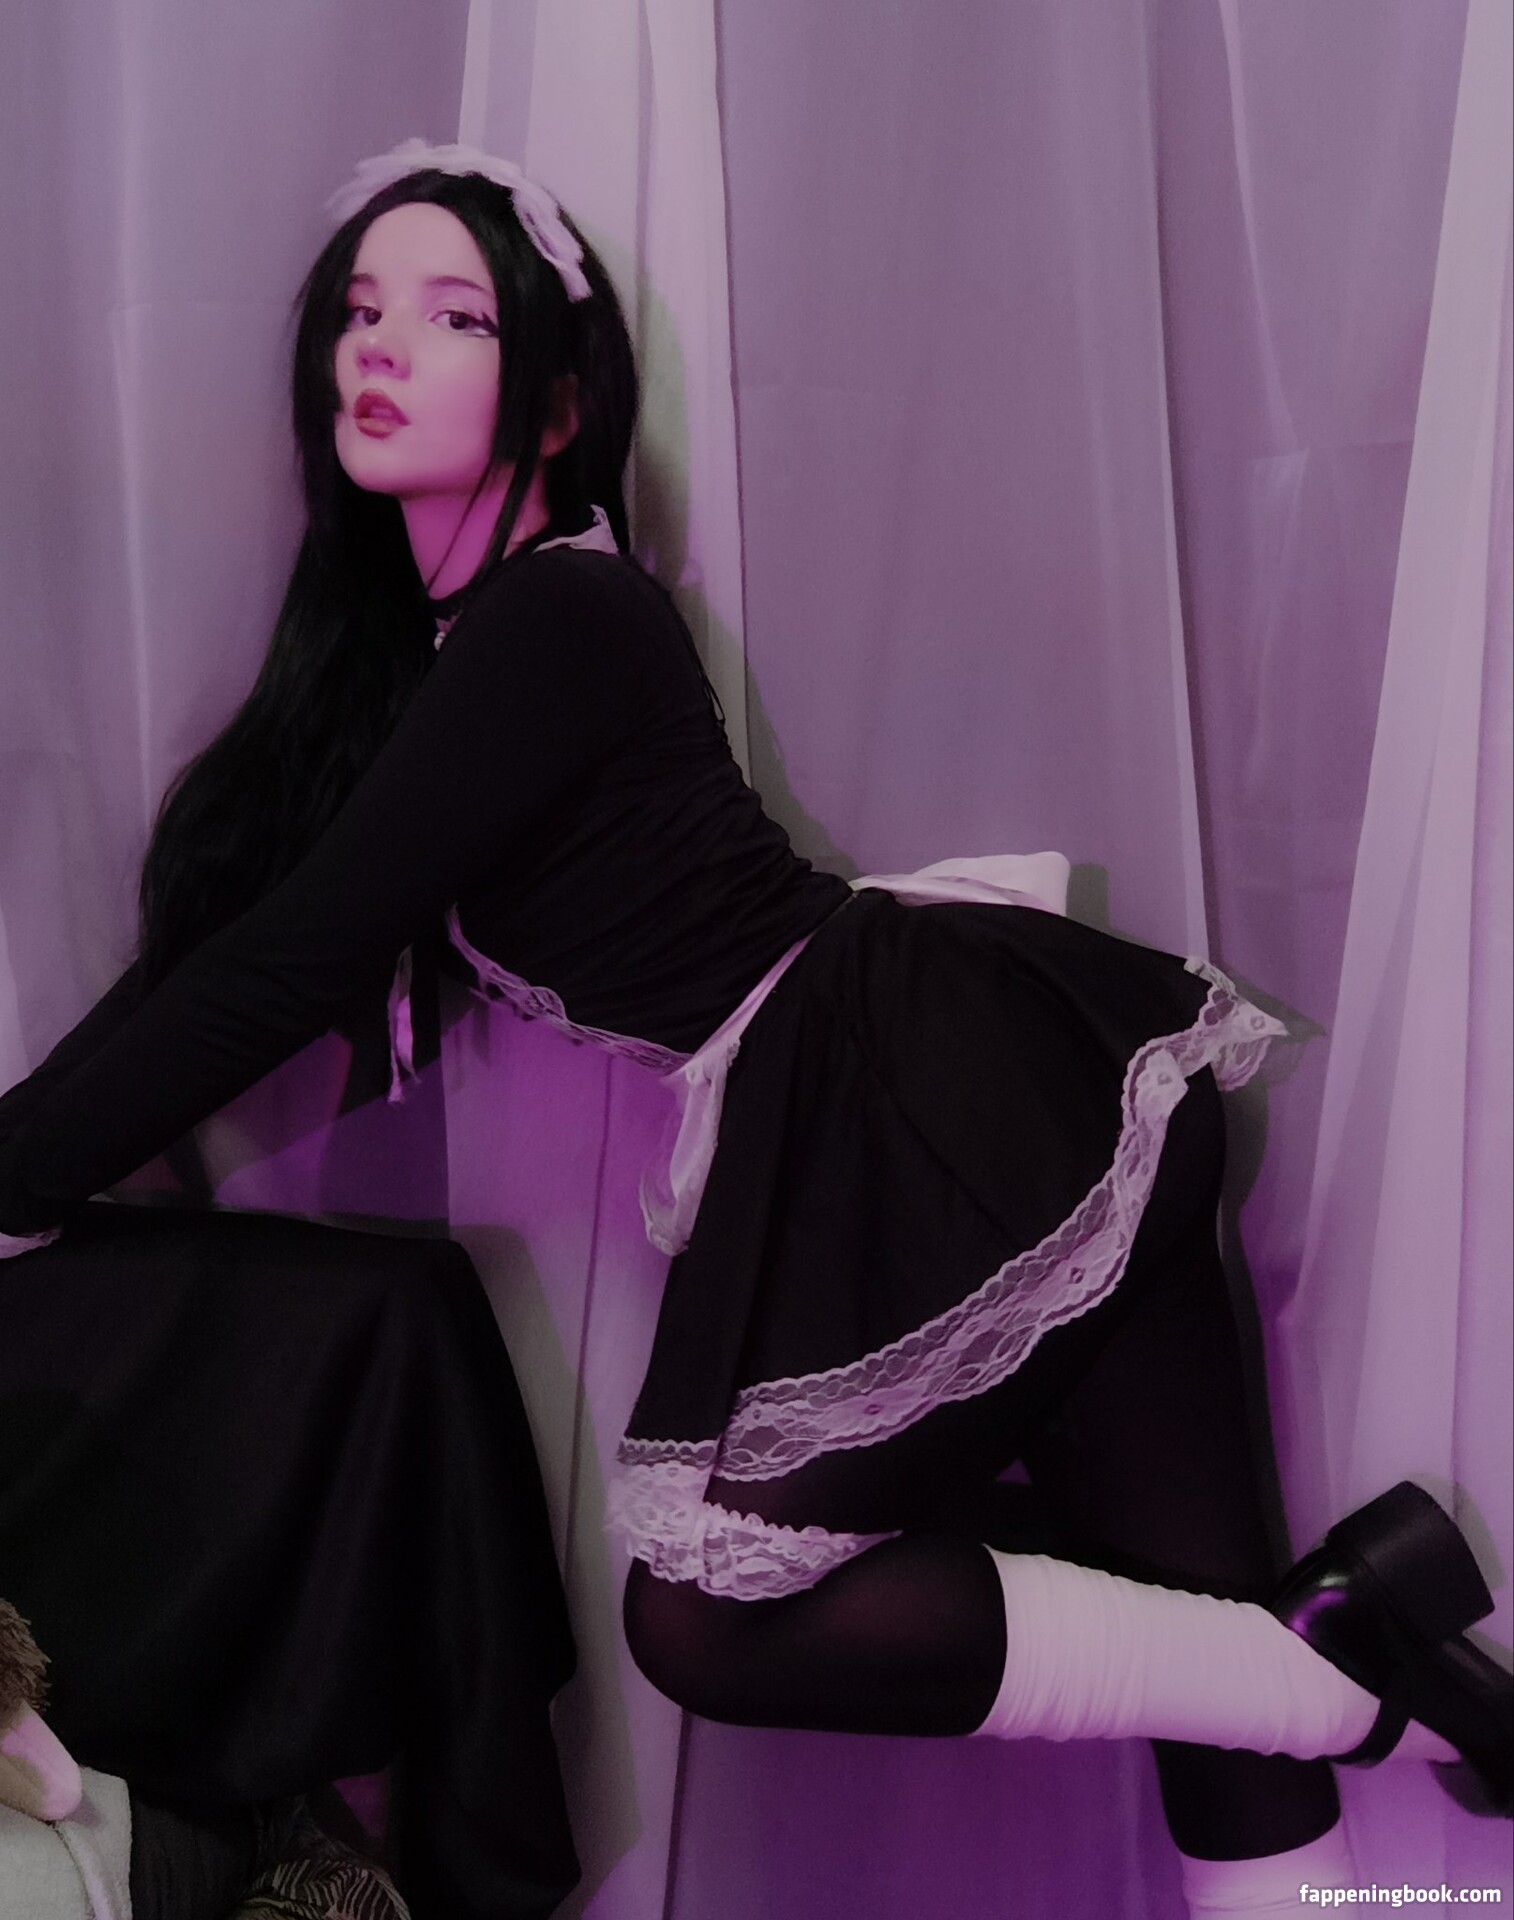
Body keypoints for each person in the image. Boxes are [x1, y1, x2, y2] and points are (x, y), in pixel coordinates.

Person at [0, 139, 1508, 1920]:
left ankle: (1341, 1682)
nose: (380, 343)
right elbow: (232, 950)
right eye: (358, 309)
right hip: (974, 1082)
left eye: (454, 313)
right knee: (1198, 1624)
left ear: (561, 404)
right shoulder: (440, 669)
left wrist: (14, 1178)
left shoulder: (561, 611)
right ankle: (1349, 1642)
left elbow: (281, 965)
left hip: (914, 1085)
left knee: (711, 1620)